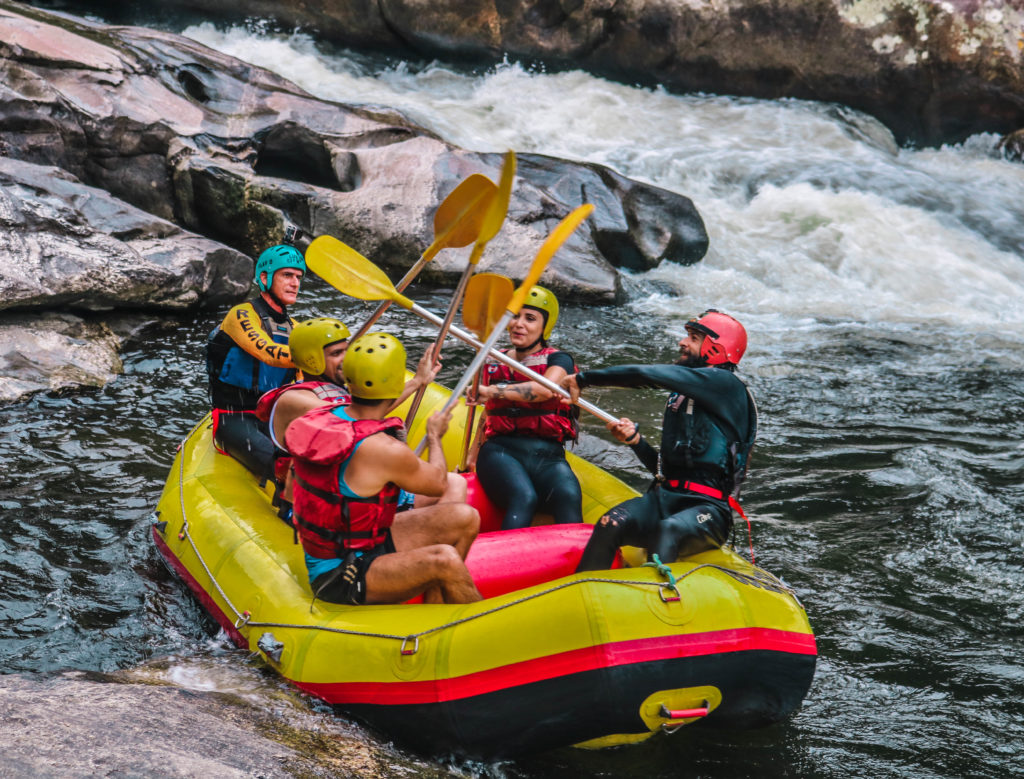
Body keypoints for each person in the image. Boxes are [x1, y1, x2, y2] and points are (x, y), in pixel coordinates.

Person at [263, 331, 482, 605]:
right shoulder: (383, 450)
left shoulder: (326, 415)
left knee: (465, 517)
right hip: (341, 575)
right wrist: (435, 437)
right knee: (445, 559)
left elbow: (368, 409)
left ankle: (435, 609)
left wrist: (417, 382)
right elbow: (438, 482)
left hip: (362, 543)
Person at [561, 310, 758, 571]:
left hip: (709, 510)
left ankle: (655, 601)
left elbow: (647, 375)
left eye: (694, 337)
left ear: (716, 349)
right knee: (611, 523)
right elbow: (663, 471)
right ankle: (582, 593)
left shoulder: (726, 385)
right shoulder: (680, 397)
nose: (683, 342)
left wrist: (585, 379)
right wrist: (636, 442)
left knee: (669, 529)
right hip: (666, 497)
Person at [467, 286, 583, 530]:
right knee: (523, 497)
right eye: (515, 316)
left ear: (544, 327)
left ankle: (578, 567)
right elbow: (487, 413)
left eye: (530, 318)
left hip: (548, 455)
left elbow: (545, 389)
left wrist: (490, 391)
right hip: (500, 450)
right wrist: (471, 457)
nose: (519, 324)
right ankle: (503, 562)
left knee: (569, 495)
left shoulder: (559, 359)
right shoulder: (491, 359)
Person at [205, 244, 305, 482]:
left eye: (298, 277)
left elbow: (302, 382)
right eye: (287, 275)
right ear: (264, 277)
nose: (295, 283)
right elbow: (269, 353)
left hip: (273, 418)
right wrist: (317, 356)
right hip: (234, 418)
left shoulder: (297, 329)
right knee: (287, 469)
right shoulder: (241, 314)